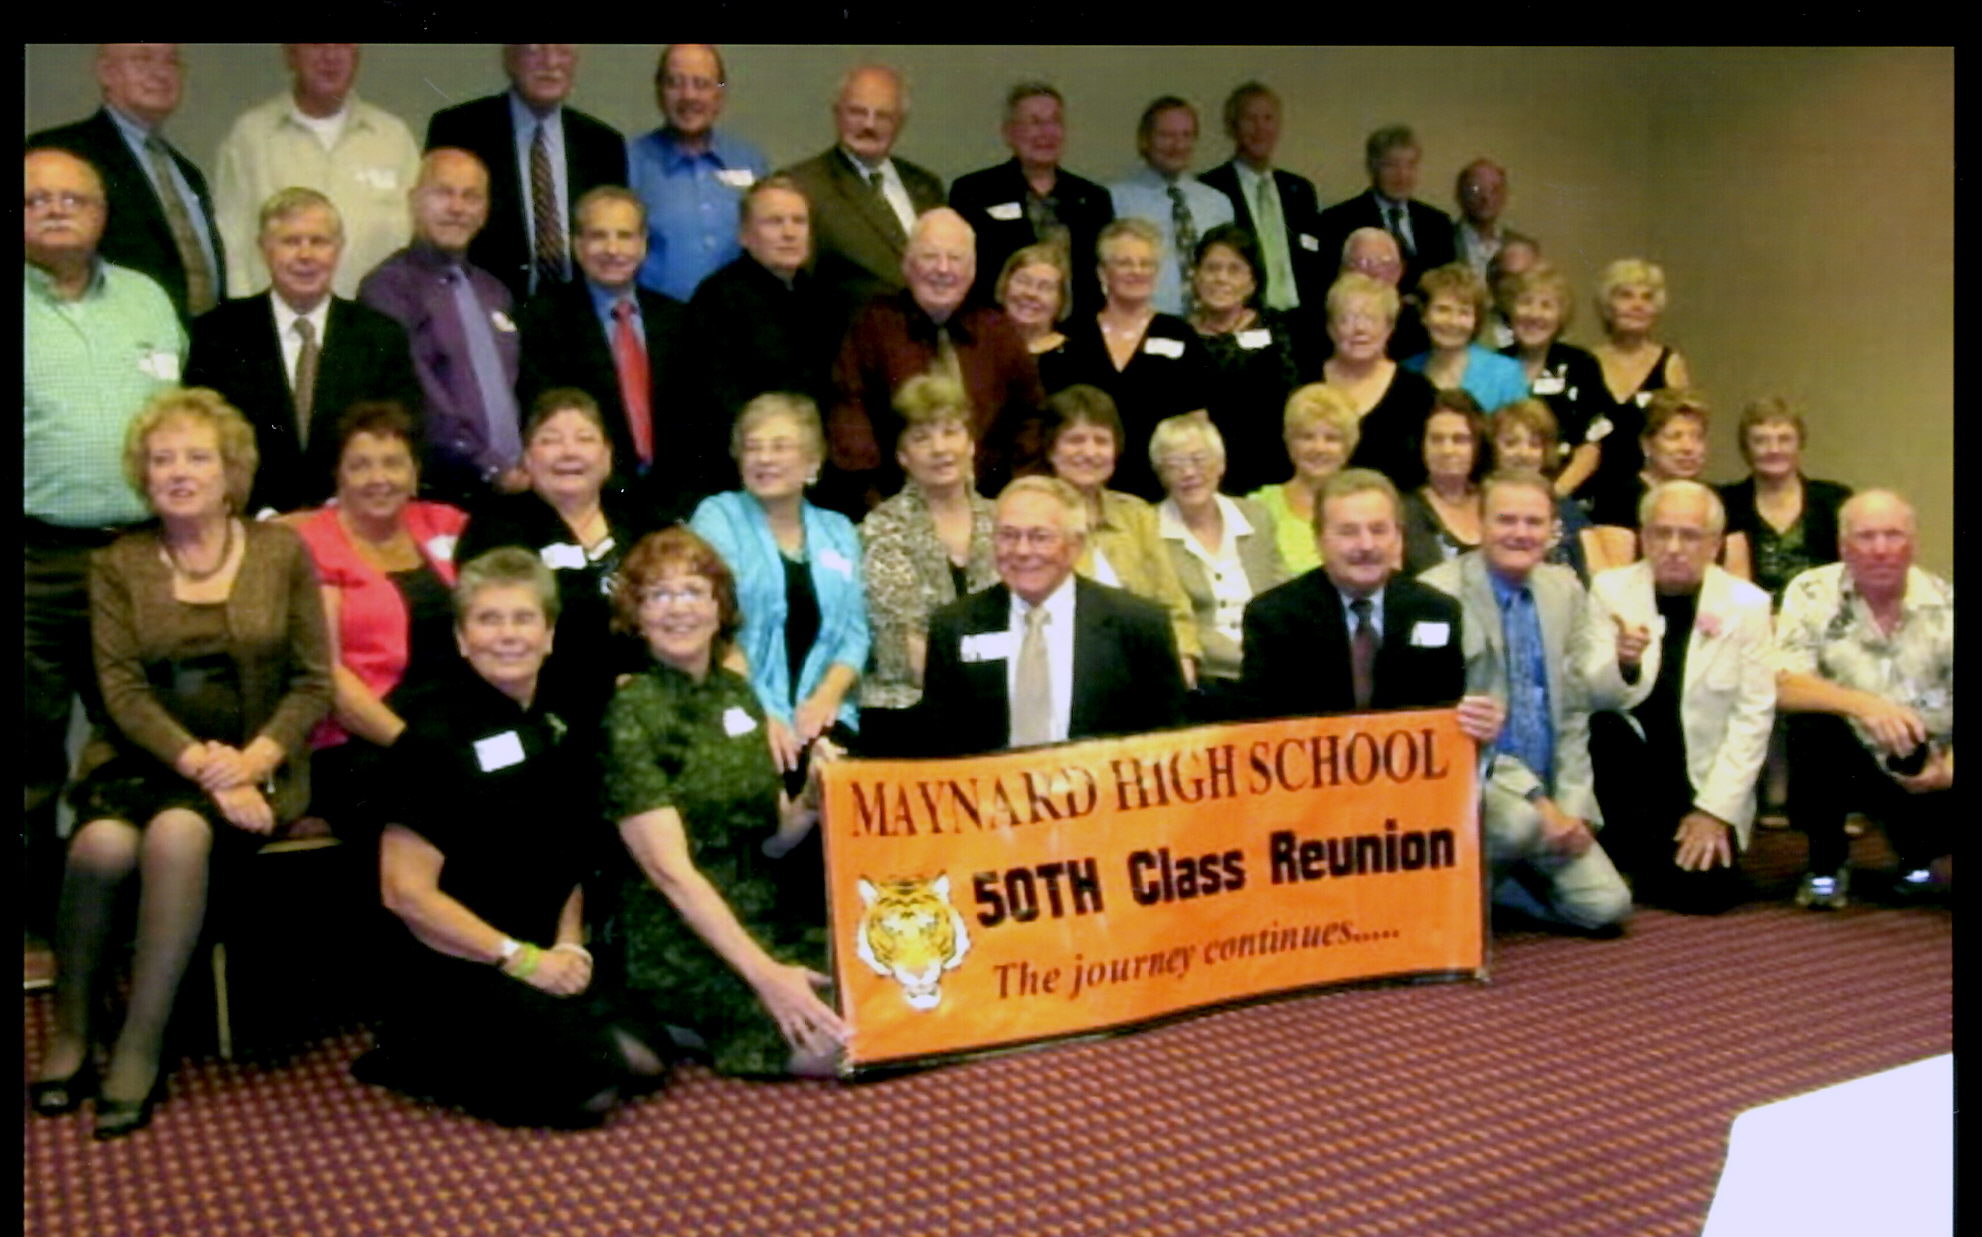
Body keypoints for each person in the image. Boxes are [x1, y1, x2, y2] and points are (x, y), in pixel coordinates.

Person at [30, 388, 331, 1138]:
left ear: (231, 473)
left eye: (198, 457)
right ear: (144, 475)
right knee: (100, 844)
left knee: (175, 835)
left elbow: (312, 683)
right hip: (147, 758)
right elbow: (121, 691)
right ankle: (72, 1033)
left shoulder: (281, 551)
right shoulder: (118, 562)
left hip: (258, 766)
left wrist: (252, 762)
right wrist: (204, 766)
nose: (179, 472)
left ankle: (141, 1043)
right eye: (162, 459)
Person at [362, 546, 666, 1125]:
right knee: (591, 1091)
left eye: (524, 618)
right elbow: (405, 894)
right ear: (462, 638)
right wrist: (519, 960)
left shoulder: (557, 721)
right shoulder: (431, 735)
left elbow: (568, 858)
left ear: (548, 635)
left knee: (648, 1058)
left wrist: (570, 946)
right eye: (489, 619)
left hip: (543, 949)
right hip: (459, 959)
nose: (508, 635)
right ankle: (416, 1052)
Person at [605, 527, 847, 1076]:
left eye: (693, 591)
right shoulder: (630, 714)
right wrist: (768, 977)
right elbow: (671, 875)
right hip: (682, 938)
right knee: (839, 1045)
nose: (678, 608)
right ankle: (680, 1021)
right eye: (659, 595)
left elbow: (772, 839)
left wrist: (811, 797)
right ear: (637, 615)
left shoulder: (738, 696)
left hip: (762, 914)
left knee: (895, 988)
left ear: (719, 608)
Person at [23, 147, 189, 945]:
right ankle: (35, 926)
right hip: (36, 558)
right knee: (29, 747)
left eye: (73, 198)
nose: (56, 209)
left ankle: (120, 918)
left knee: (137, 736)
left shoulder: (148, 299)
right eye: (37, 198)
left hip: (141, 555)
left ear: (103, 212)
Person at [1421, 471, 1633, 935]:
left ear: (1552, 530)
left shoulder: (1565, 590)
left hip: (1550, 790)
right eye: (1506, 520)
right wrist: (1536, 801)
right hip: (1475, 786)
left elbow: (1575, 710)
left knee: (1608, 906)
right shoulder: (1436, 596)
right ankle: (1444, 907)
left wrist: (1573, 807)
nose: (1520, 533)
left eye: (1534, 522)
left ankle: (1497, 890)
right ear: (1479, 524)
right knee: (1517, 824)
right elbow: (1451, 725)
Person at [1582, 481, 1775, 914]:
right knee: (1604, 728)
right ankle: (1626, 852)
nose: (1673, 548)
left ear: (1714, 545)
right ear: (1643, 536)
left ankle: (1640, 864)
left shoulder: (1747, 605)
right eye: (1661, 533)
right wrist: (1622, 663)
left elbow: (1753, 719)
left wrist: (1715, 811)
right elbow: (1593, 697)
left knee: (1704, 897)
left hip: (1702, 779)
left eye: (1689, 536)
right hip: (1630, 774)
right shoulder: (1610, 591)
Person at [183, 188, 421, 514]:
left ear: (338, 249)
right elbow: (202, 441)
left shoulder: (380, 336)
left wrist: (337, 519)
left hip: (354, 522)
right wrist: (266, 518)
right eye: (290, 241)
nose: (305, 255)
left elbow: (401, 438)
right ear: (264, 249)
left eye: (319, 242)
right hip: (250, 524)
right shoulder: (218, 334)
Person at [291, 401, 468, 831]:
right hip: (363, 739)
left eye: (393, 463)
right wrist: (414, 748)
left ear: (414, 472)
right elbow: (329, 677)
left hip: (453, 723)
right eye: (361, 465)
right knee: (441, 799)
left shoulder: (446, 524)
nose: (379, 479)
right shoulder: (313, 543)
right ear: (338, 475)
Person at [920, 475, 1187, 755]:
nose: (1022, 550)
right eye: (1008, 535)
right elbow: (941, 745)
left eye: (1040, 537)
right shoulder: (955, 626)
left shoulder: (1137, 625)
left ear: (1076, 546)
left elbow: (1167, 743)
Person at [1774, 490, 1953, 909]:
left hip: (1928, 763)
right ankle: (1826, 863)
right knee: (1810, 725)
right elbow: (1782, 684)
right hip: (1848, 757)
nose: (1880, 549)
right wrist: (1866, 706)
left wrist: (1948, 770)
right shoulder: (1811, 592)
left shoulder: (1946, 604)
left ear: (1913, 544)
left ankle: (1916, 860)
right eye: (1866, 536)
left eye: (1893, 535)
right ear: (1843, 546)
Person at [1241, 470, 1502, 746]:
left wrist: (1477, 724)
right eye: (1348, 532)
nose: (1366, 545)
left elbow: (1446, 715)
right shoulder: (1274, 618)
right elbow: (1259, 731)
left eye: (1378, 530)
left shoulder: (1436, 611)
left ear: (1398, 537)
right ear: (1318, 540)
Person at [454, 389, 656, 737]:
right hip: (548, 712)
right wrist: (608, 687)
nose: (569, 451)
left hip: (649, 699)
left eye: (584, 438)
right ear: (528, 459)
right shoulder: (495, 530)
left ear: (607, 456)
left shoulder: (643, 522)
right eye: (550, 440)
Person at [690, 394, 869, 783]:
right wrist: (763, 712)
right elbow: (716, 626)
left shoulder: (839, 530)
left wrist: (825, 699)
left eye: (780, 446)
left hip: (824, 711)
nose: (764, 458)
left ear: (812, 462)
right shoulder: (718, 517)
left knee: (836, 782)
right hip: (738, 703)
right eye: (753, 447)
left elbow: (856, 635)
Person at [825, 207, 1045, 513]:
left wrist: (1016, 494)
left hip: (989, 506)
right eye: (930, 256)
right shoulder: (873, 327)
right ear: (907, 265)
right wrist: (877, 504)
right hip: (892, 505)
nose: (943, 269)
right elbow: (849, 414)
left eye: (955, 258)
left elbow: (1031, 415)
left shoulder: (999, 332)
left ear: (972, 270)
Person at [513, 187, 708, 525]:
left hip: (677, 504)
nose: (612, 249)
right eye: (598, 236)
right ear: (577, 245)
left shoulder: (679, 319)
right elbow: (544, 416)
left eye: (625, 236)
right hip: (587, 504)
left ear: (642, 244)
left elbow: (698, 421)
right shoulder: (541, 320)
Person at [356, 148, 527, 505]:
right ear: (414, 201)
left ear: (485, 210)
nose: (457, 208)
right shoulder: (388, 288)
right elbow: (420, 397)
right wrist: (491, 467)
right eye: (444, 193)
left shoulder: (494, 291)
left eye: (471, 196)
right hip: (444, 490)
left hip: (515, 488)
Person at [26, 44, 224, 324]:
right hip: (101, 333)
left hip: (201, 340)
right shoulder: (64, 154)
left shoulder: (187, 172)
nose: (160, 73)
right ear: (106, 73)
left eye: (171, 62)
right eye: (143, 59)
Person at [858, 372, 1000, 755]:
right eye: (921, 438)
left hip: (1001, 695)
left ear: (971, 443)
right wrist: (975, 704)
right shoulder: (882, 528)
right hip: (910, 706)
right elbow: (903, 640)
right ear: (902, 456)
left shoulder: (1004, 520)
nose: (940, 449)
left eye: (951, 432)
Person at [213, 44, 422, 299]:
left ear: (356, 54)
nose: (330, 56)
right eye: (316, 44)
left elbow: (419, 244)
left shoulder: (393, 139)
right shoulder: (250, 137)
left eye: (342, 44)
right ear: (290, 54)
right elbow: (232, 244)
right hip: (275, 319)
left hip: (374, 319)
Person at [424, 44, 628, 304]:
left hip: (578, 314)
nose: (550, 63)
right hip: (484, 307)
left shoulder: (604, 144)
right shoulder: (459, 130)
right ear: (509, 58)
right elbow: (436, 237)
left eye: (562, 51)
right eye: (535, 50)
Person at [1043, 386, 1202, 684]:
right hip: (1068, 672)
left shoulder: (1137, 514)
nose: (1089, 452)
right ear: (1052, 449)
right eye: (1075, 440)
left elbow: (1173, 606)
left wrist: (1183, 659)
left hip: (1147, 666)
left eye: (1101, 441)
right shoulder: (1031, 515)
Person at [1049, 218, 1210, 500]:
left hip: (1161, 491)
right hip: (1079, 489)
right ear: (1102, 272)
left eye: (1146, 264)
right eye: (1124, 263)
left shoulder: (1180, 335)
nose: (1136, 271)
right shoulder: (1071, 335)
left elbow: (1196, 423)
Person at [780, 64, 945, 328]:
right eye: (857, 112)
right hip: (848, 343)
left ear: (900, 122)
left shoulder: (926, 185)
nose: (869, 125)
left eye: (883, 116)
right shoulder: (801, 186)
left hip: (930, 338)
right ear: (837, 114)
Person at [1150, 415, 1288, 718]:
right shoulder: (1150, 530)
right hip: (1208, 679)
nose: (1189, 473)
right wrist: (1246, 657)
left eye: (1199, 460)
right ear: (1161, 474)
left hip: (1275, 667)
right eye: (1174, 464)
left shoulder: (1255, 516)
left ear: (1220, 465)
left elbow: (1282, 594)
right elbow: (1172, 621)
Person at [949, 82, 1114, 320]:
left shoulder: (1093, 199)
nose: (1046, 133)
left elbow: (1101, 278)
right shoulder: (974, 192)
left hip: (1076, 332)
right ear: (1009, 132)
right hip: (997, 329)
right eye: (1035, 122)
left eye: (1054, 122)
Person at [689, 176, 837, 433]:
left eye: (799, 221)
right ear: (744, 235)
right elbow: (715, 396)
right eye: (774, 222)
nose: (789, 233)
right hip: (751, 444)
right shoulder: (718, 297)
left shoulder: (822, 295)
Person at [628, 44, 772, 302]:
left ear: (720, 93)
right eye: (675, 83)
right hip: (662, 319)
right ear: (659, 91)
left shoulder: (751, 162)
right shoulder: (630, 162)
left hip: (738, 317)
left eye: (702, 84)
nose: (689, 96)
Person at [1187, 224, 1311, 495]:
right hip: (1200, 477)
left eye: (1234, 270)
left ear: (1253, 282)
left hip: (1273, 475)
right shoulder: (1177, 335)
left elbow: (1298, 405)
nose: (1221, 278)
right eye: (1212, 268)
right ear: (1195, 276)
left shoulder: (1279, 330)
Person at [1196, 82, 1328, 322]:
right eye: (1250, 119)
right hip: (1242, 319)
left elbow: (1313, 258)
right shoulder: (1210, 190)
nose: (1260, 128)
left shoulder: (1299, 190)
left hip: (1303, 321)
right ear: (1232, 126)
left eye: (1268, 118)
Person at [1590, 390, 1750, 577]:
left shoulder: (1723, 501)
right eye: (1675, 437)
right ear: (1647, 445)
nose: (1688, 448)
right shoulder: (1618, 500)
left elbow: (1739, 581)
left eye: (1697, 437)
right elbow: (1616, 580)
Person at [1717, 397, 1853, 606]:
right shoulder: (1725, 504)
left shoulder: (1834, 501)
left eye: (1785, 439)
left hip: (1824, 619)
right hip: (1749, 620)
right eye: (1760, 441)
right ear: (1746, 448)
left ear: (1800, 444)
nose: (1774, 449)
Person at [1106, 96, 1234, 317]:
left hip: (1209, 325)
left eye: (1186, 135)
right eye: (1166, 136)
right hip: (1145, 325)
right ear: (1144, 140)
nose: (1177, 145)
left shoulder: (1218, 203)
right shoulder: (1115, 200)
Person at [1585, 258, 1693, 517]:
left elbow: (1684, 434)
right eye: (1626, 296)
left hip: (1650, 498)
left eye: (1647, 298)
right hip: (1590, 495)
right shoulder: (1584, 362)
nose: (1637, 305)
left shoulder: (1671, 364)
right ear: (1607, 305)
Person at [1321, 272, 1437, 489]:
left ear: (1389, 328)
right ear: (1331, 328)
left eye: (1371, 319)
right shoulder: (1302, 383)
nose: (1360, 329)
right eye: (1347, 319)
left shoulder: (1417, 392)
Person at [1498, 262, 1604, 497]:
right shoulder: (1492, 365)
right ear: (1510, 310)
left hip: (1565, 494)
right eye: (1526, 303)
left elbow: (1591, 445)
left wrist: (1553, 496)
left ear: (1560, 316)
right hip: (1502, 493)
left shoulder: (1580, 365)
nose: (1534, 314)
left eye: (1546, 306)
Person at [1316, 125, 1456, 297]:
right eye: (1391, 166)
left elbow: (1449, 286)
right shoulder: (1337, 220)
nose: (1402, 175)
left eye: (1410, 165)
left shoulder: (1438, 223)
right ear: (1372, 167)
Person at [1246, 383, 1361, 576]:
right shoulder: (1258, 507)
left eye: (1331, 438)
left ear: (1348, 445)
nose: (1319, 448)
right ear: (1290, 441)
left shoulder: (1365, 506)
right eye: (1307, 437)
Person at [1486, 398, 1605, 583]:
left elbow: (1599, 575)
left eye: (1534, 445)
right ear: (1493, 448)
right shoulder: (1479, 505)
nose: (1523, 453)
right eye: (1511, 443)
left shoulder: (1565, 508)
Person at [1402, 262, 1529, 412]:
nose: (1452, 321)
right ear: (1424, 315)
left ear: (1476, 320)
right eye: (1443, 309)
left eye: (1464, 312)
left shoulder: (1505, 373)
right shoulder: (1406, 372)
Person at [1399, 390, 1489, 574]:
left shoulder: (1496, 503)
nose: (1447, 450)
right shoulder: (1403, 512)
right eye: (1436, 439)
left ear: (1477, 445)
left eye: (1459, 439)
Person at [995, 240, 1076, 393]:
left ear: (1061, 299)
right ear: (1004, 285)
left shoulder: (1078, 360)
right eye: (1023, 282)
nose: (1031, 293)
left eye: (1045, 287)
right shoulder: (978, 347)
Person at [1336, 227, 1430, 359]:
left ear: (1399, 271)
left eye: (1384, 264)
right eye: (1363, 263)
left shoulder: (1419, 325)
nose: (1374, 272)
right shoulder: (1320, 321)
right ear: (1343, 270)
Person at [1451, 159, 1511, 285]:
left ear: (1504, 196)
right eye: (1476, 189)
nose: (1486, 197)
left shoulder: (1519, 245)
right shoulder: (1440, 241)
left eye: (1494, 190)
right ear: (1459, 194)